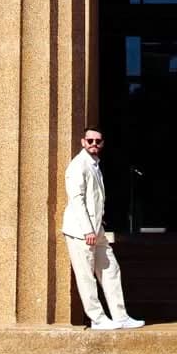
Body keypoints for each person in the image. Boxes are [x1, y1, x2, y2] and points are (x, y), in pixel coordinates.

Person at [61, 126, 145, 330]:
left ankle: (120, 316)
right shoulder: (78, 165)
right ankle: (97, 319)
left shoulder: (94, 164)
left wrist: (99, 222)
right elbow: (77, 199)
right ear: (83, 142)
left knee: (111, 269)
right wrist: (87, 230)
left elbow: (95, 198)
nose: (94, 144)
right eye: (90, 141)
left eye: (97, 141)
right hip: (81, 232)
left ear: (102, 143)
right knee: (86, 276)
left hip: (96, 230)